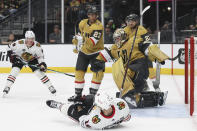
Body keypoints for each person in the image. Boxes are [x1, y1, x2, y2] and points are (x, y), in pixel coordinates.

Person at [91, 28, 169, 108]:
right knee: (134, 96)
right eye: (115, 39)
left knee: (120, 69)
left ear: (123, 37)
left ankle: (128, 93)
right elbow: (103, 55)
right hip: (130, 73)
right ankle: (152, 98)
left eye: (118, 38)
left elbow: (148, 48)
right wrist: (96, 62)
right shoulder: (114, 48)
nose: (117, 41)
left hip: (140, 68)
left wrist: (158, 56)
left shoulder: (133, 41)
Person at [3, 30, 56, 97]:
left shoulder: (38, 46)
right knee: (14, 71)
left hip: (32, 59)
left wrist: (42, 64)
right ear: (26, 38)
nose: (30, 41)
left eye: (32, 39)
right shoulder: (19, 43)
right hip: (19, 58)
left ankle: (50, 86)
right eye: (28, 39)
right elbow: (8, 47)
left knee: (39, 72)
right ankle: (7, 86)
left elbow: (40, 57)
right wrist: (12, 56)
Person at [69, 6, 104, 102]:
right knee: (79, 73)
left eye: (94, 14)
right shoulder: (82, 23)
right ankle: (77, 95)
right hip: (84, 52)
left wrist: (82, 40)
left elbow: (93, 41)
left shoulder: (99, 26)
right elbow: (79, 35)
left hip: (96, 53)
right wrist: (76, 43)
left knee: (98, 74)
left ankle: (92, 95)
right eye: (90, 14)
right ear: (88, 15)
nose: (92, 16)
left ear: (97, 15)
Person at [46, 93, 131, 129]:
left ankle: (59, 105)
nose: (109, 108)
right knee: (89, 98)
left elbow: (83, 122)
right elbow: (128, 117)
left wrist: (79, 110)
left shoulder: (95, 120)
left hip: (87, 115)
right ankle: (81, 99)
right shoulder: (121, 104)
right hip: (95, 110)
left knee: (72, 111)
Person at [124, 14, 159, 92]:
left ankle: (156, 87)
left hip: (143, 55)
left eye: (132, 21)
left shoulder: (142, 30)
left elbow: (148, 43)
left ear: (136, 21)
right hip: (133, 56)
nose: (130, 23)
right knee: (132, 73)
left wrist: (150, 52)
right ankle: (143, 86)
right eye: (129, 21)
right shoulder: (125, 30)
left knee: (150, 71)